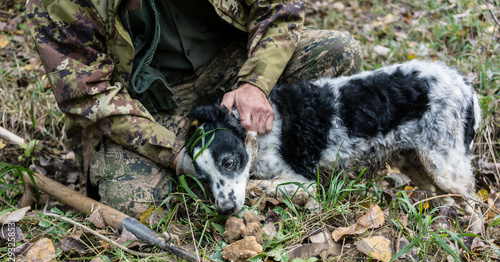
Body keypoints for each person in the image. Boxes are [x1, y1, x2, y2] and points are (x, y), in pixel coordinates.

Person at [26, 0, 362, 217]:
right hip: (144, 104)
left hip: (229, 63)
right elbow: (87, 93)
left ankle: (257, 167)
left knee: (338, 53)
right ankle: (233, 177)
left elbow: (279, 8)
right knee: (136, 205)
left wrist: (255, 83)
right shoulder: (59, 3)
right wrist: (175, 154)